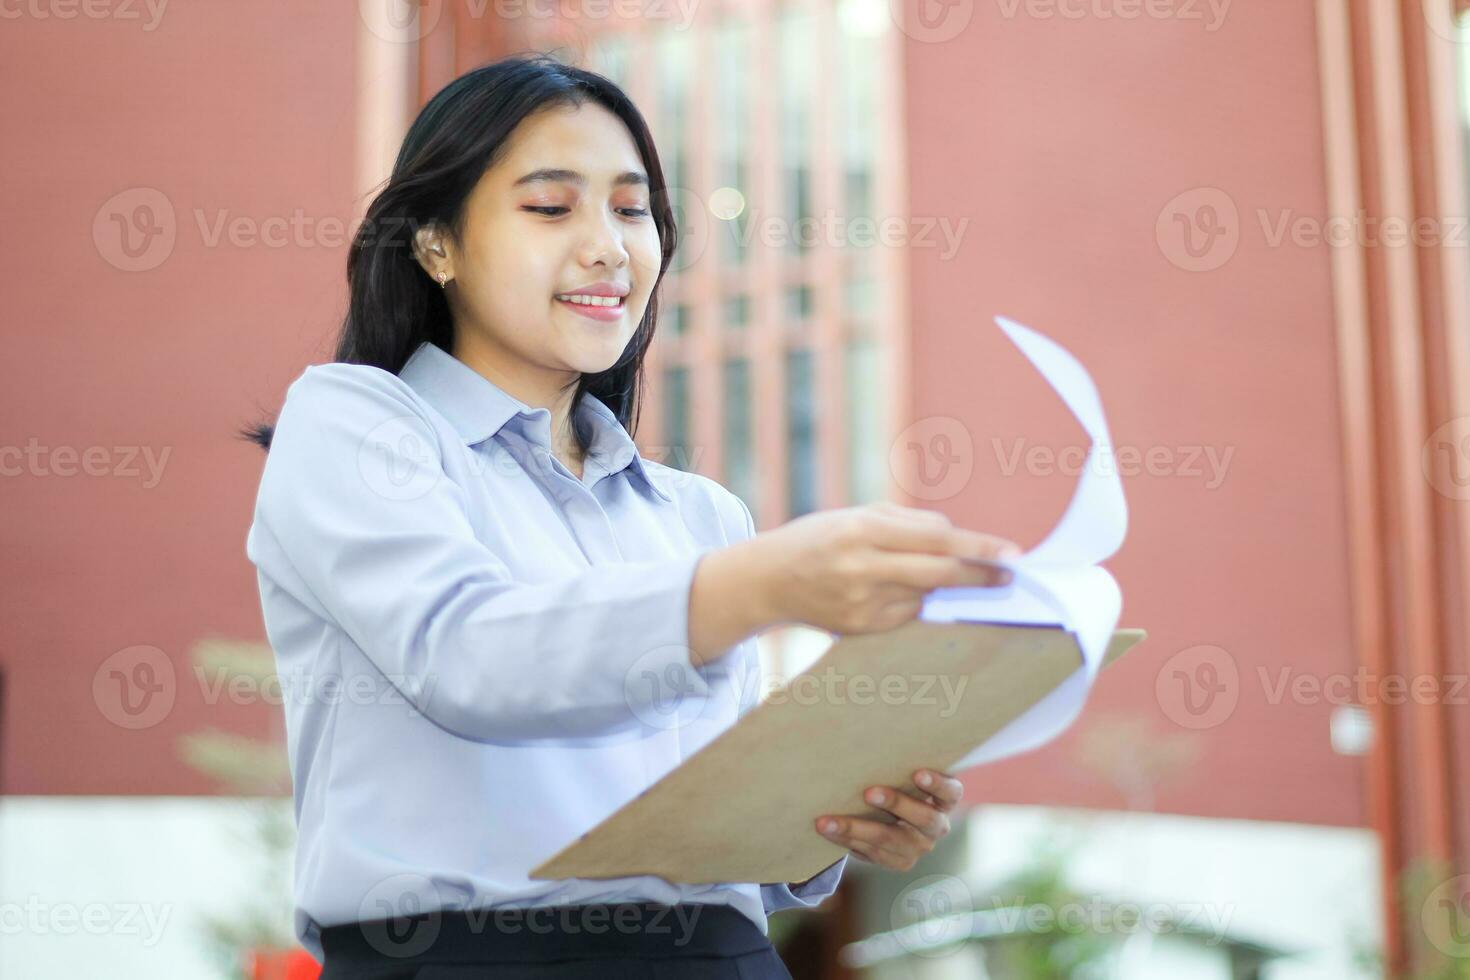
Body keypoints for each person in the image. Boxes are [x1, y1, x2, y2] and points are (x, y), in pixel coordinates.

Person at [242, 53, 1018, 979]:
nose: (608, 246)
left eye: (631, 207)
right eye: (550, 206)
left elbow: (711, 821)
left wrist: (831, 818)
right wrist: (758, 584)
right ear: (434, 242)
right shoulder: (356, 426)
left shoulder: (701, 515)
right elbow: (469, 654)